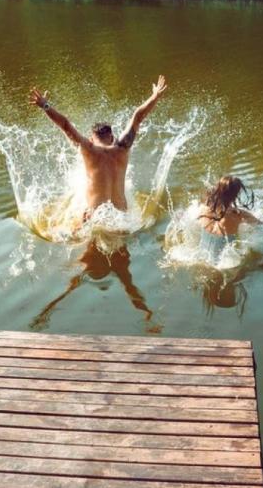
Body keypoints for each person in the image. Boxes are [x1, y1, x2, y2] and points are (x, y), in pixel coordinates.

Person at [28, 75, 168, 219]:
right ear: (112, 138)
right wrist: (155, 96)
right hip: (122, 217)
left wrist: (46, 106)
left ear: (91, 139)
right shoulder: (123, 147)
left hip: (95, 217)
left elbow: (65, 125)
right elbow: (138, 117)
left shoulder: (88, 148)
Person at [29, 239, 160, 333]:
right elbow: (131, 292)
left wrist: (45, 313)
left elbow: (64, 294)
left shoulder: (90, 263)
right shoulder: (117, 267)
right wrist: (147, 314)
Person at [198, 175, 263, 259]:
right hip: (220, 264)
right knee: (261, 265)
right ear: (236, 194)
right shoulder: (238, 214)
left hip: (200, 257)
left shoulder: (206, 205)